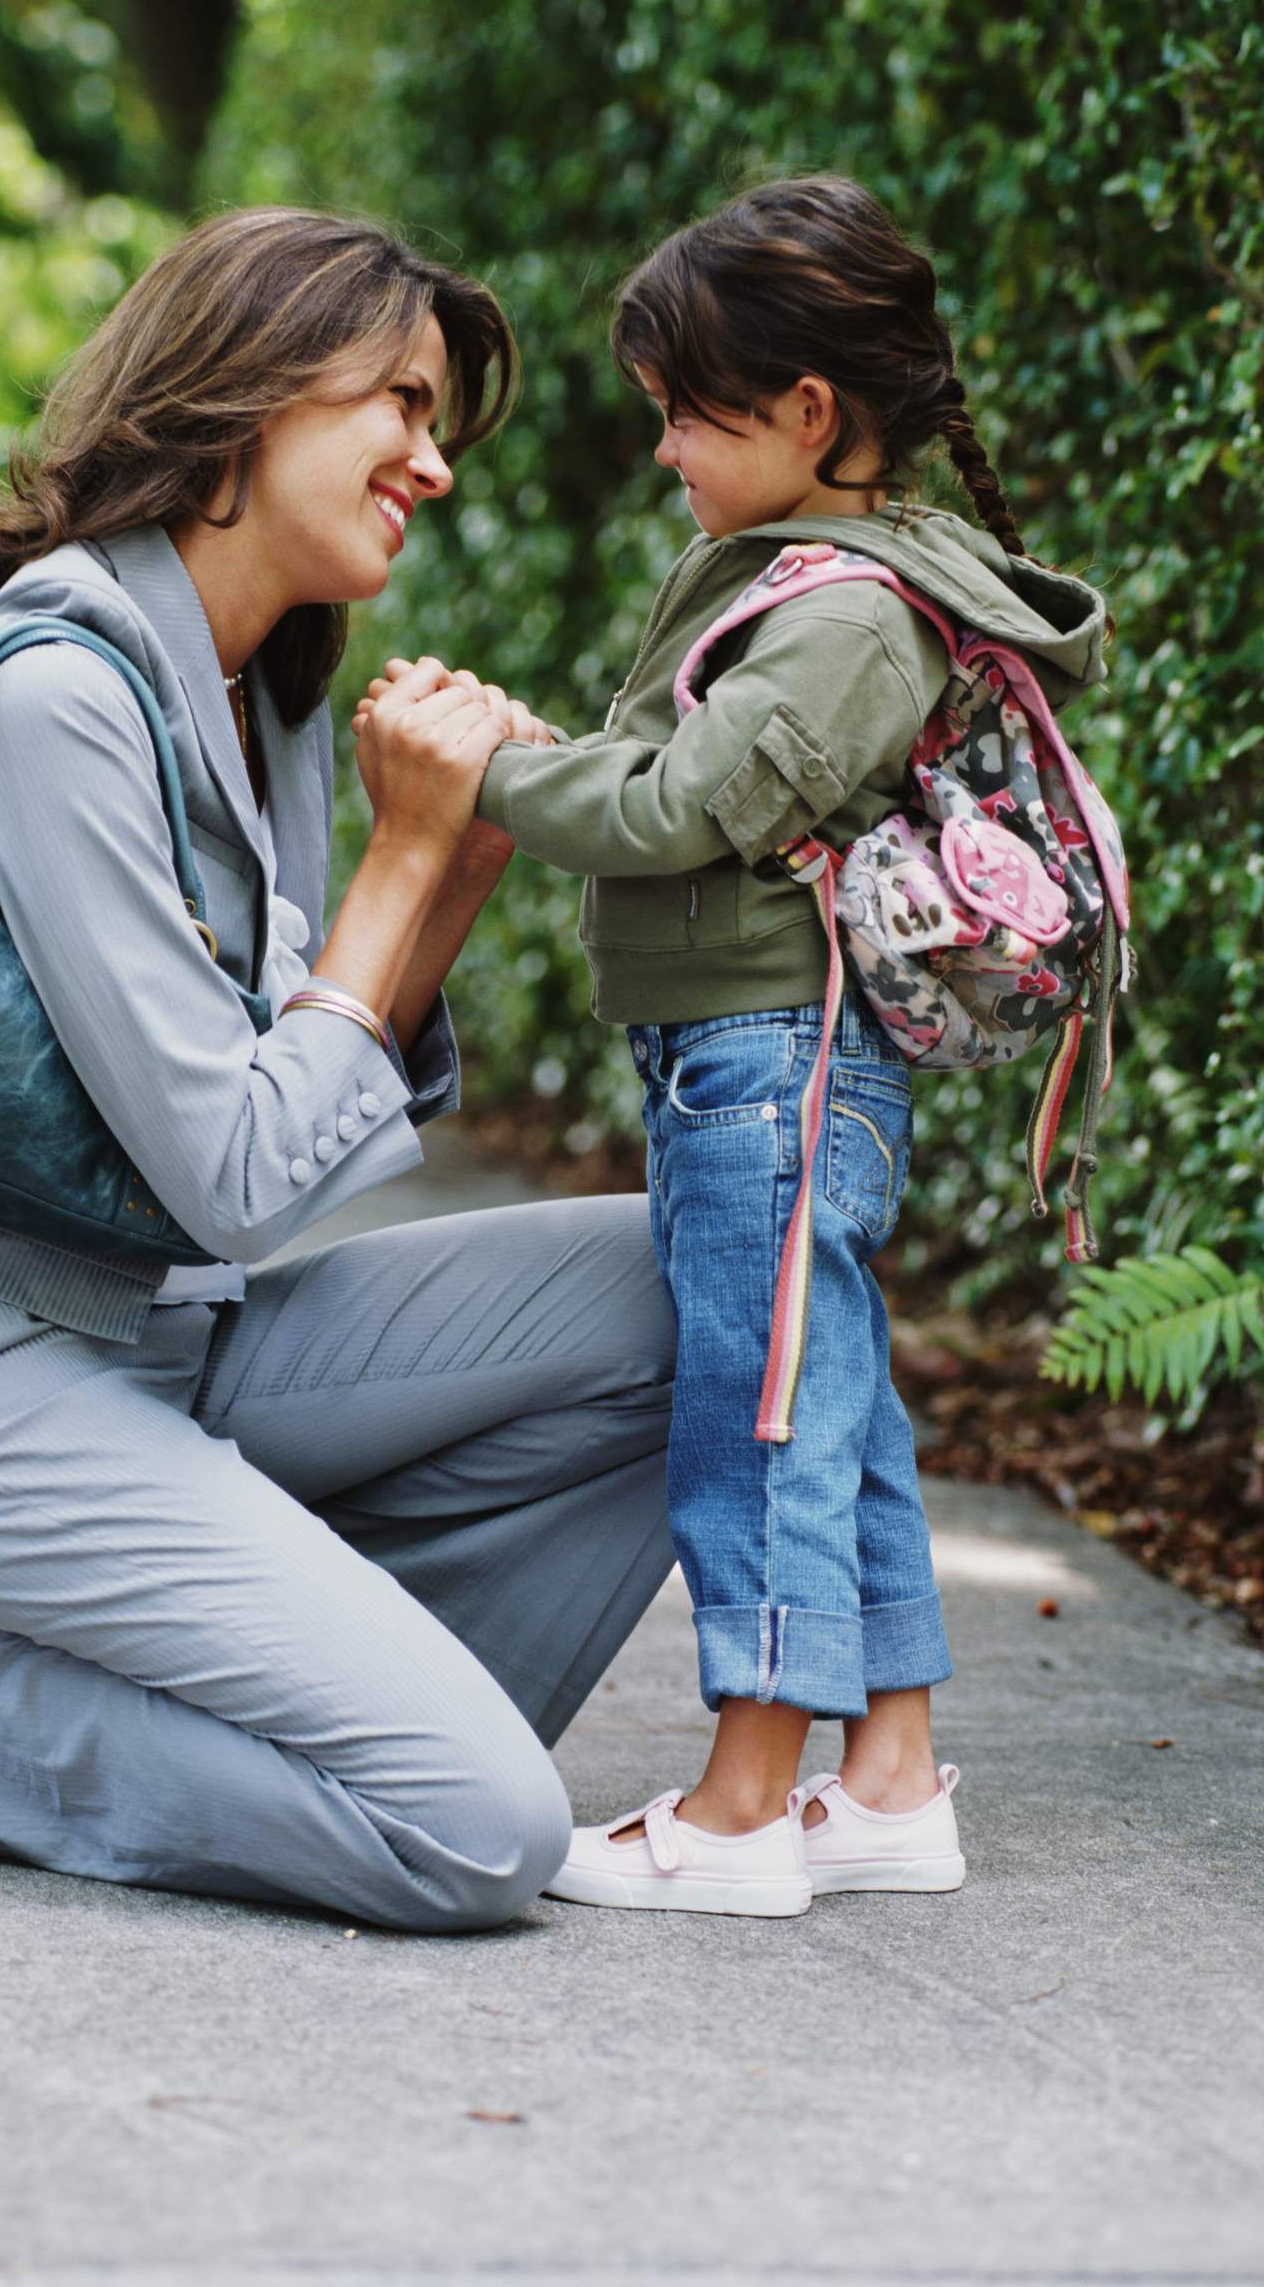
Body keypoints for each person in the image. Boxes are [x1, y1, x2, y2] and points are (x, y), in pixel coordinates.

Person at [0, 208, 678, 1933]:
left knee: (700, 1288)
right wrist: (394, 871)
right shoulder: (60, 686)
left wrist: (442, 880)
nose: (431, 464)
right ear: (248, 391)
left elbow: (282, 1152)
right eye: (398, 401)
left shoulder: (260, 691)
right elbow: (228, 1169)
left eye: (437, 422)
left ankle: (241, 1680)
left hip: (176, 1338)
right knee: (476, 1835)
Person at [368, 177, 1107, 1914]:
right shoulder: (808, 577)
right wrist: (560, 764)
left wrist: (479, 776)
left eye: (681, 416)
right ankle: (891, 1781)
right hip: (759, 1054)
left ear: (802, 412)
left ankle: (742, 1809)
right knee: (827, 1408)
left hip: (774, 1058)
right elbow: (713, 784)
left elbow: (697, 802)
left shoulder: (850, 609)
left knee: (757, 1416)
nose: (660, 457)